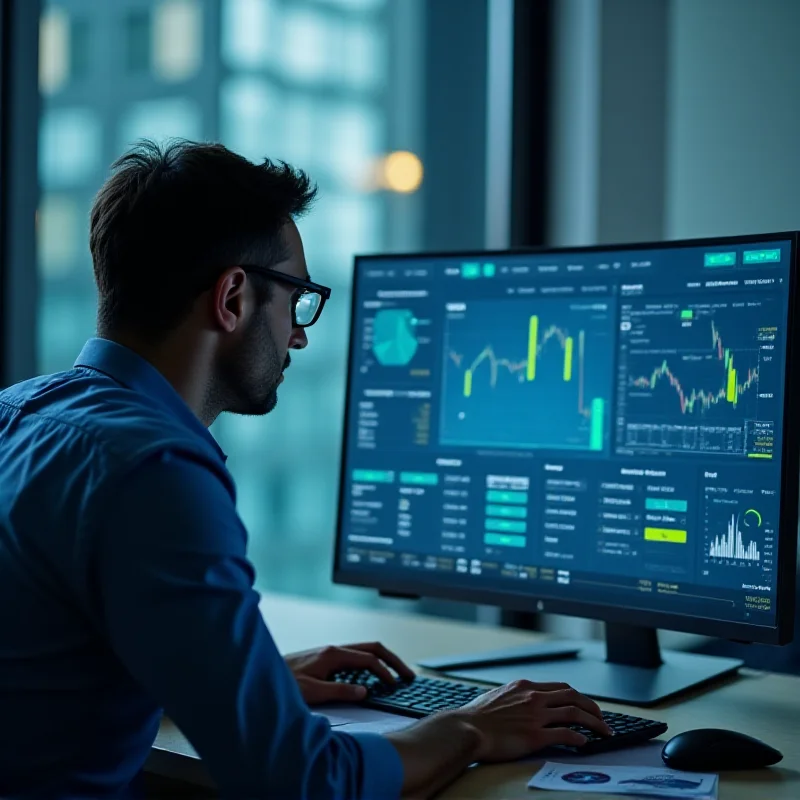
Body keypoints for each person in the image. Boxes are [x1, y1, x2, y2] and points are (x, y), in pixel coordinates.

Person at [0, 139, 610, 799]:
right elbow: (305, 781)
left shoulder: (17, 415)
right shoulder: (154, 472)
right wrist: (467, 727)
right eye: (297, 298)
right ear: (233, 296)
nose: (300, 333)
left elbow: (44, 670)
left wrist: (246, 678)